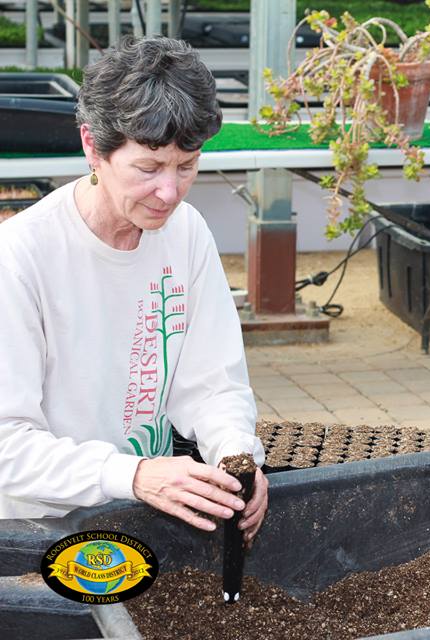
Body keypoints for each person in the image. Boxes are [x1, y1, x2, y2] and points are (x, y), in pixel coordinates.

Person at [0, 36, 268, 545]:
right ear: (92, 148)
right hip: (35, 529)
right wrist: (135, 474)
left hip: (144, 517)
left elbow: (211, 382)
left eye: (187, 166)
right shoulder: (19, 256)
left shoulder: (185, 232)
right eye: (148, 169)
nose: (169, 192)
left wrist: (239, 456)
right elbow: (6, 446)